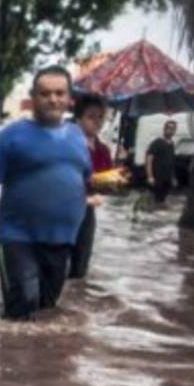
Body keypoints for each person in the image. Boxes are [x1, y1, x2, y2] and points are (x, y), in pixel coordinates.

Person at [0, 65, 91, 321]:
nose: (53, 99)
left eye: (60, 93)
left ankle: (34, 357)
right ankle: (8, 358)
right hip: (17, 237)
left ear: (69, 98)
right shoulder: (12, 136)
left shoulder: (77, 136)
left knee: (47, 309)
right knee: (24, 304)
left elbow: (83, 180)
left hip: (62, 240)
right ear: (33, 97)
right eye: (45, 93)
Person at [71, 94, 112, 279]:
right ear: (78, 118)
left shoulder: (103, 150)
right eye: (91, 116)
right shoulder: (67, 144)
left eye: (101, 117)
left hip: (88, 212)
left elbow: (105, 183)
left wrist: (116, 179)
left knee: (81, 262)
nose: (97, 122)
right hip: (65, 207)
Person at [145, 119, 177, 203]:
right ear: (164, 129)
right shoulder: (157, 143)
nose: (170, 131)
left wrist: (173, 177)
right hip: (157, 177)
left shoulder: (172, 144)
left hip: (167, 178)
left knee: (162, 200)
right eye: (169, 128)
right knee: (153, 200)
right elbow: (149, 160)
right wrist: (150, 176)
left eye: (173, 129)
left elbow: (171, 161)